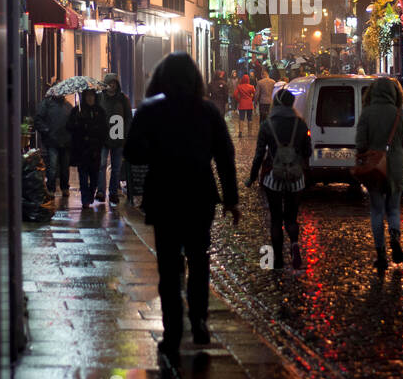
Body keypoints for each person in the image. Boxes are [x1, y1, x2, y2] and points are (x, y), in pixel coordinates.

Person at [124, 53, 239, 360]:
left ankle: (172, 332)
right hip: (200, 196)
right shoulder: (208, 111)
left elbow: (132, 152)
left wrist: (158, 151)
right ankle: (199, 319)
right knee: (199, 258)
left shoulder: (151, 111)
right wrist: (231, 199)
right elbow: (225, 155)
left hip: (164, 196)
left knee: (169, 266)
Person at [247, 89, 312, 271]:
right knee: (291, 218)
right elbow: (308, 151)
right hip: (295, 178)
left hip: (272, 178)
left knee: (276, 219)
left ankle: (276, 260)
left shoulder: (268, 124)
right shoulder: (300, 124)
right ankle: (295, 246)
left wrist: (252, 177)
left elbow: (259, 154)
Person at [355, 77, 403, 272]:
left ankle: (381, 255)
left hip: (375, 167)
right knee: (394, 209)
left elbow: (360, 143)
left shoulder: (367, 113)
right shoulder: (399, 114)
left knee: (377, 210)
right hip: (395, 167)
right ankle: (394, 236)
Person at [98, 73, 132, 206]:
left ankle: (113, 192)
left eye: (114, 83)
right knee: (101, 165)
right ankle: (100, 191)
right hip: (103, 137)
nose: (112, 86)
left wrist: (126, 133)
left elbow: (128, 117)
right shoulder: (99, 97)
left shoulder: (123, 99)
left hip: (118, 137)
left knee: (116, 167)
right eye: (109, 83)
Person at [69, 89, 107, 205]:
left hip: (95, 149)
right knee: (83, 175)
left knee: (94, 175)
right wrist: (77, 122)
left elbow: (104, 128)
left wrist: (100, 141)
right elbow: (69, 126)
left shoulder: (99, 111)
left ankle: (90, 194)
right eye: (88, 96)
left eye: (92, 96)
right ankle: (85, 199)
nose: (90, 98)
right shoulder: (77, 111)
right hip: (82, 148)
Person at [35, 87, 73, 201]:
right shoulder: (47, 104)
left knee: (65, 167)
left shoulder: (68, 106)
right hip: (52, 141)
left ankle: (64, 188)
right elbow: (38, 119)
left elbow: (72, 122)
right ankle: (51, 189)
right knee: (52, 167)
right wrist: (47, 131)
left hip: (65, 141)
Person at [235, 73, 256, 137]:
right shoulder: (251, 87)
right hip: (249, 104)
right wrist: (251, 99)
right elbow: (254, 94)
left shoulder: (239, 86)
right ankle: (249, 133)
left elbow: (235, 94)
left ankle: (240, 132)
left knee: (241, 118)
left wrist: (239, 100)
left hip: (242, 104)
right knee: (250, 118)